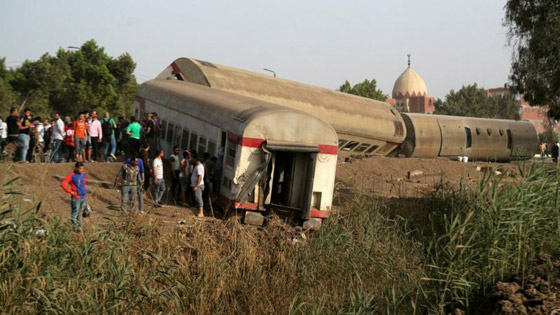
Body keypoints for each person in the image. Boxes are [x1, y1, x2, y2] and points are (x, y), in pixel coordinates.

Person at [60, 162, 88, 228]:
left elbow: (84, 183)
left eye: (83, 168)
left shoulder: (83, 174)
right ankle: (74, 227)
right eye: (80, 168)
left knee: (79, 213)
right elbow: (63, 184)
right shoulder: (71, 175)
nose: (82, 170)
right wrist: (70, 192)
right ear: (76, 168)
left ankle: (79, 227)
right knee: (74, 214)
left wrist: (85, 191)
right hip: (76, 198)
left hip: (83, 196)